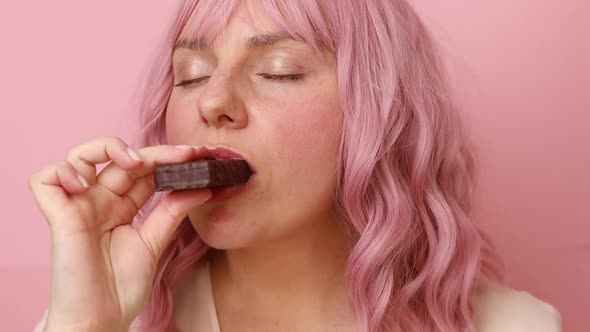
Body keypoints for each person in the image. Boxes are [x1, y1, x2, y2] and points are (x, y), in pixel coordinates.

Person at [30, 0, 562, 331]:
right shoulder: (114, 316)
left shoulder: (514, 327)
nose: (211, 101)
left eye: (279, 71)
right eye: (189, 75)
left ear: (377, 114)